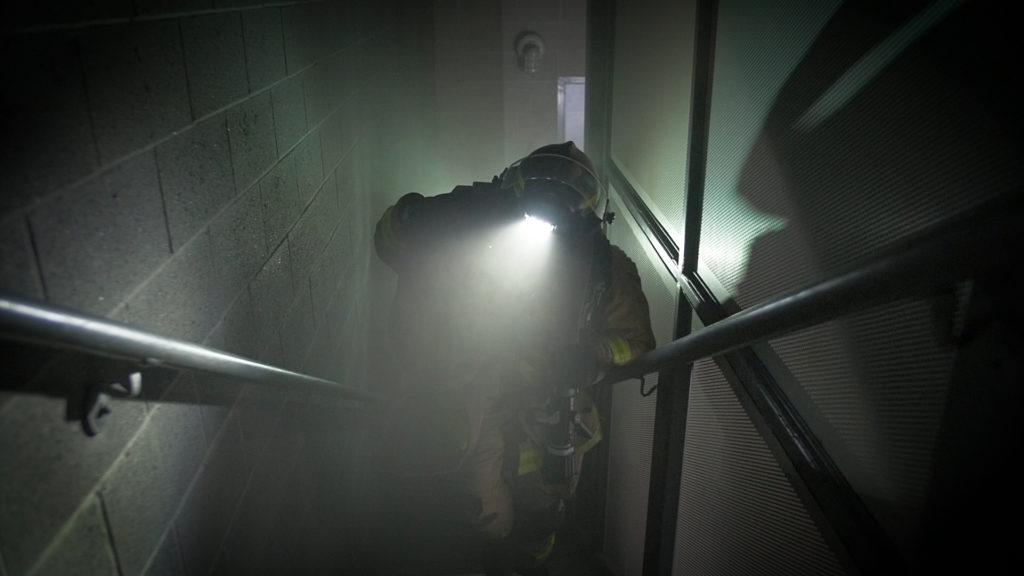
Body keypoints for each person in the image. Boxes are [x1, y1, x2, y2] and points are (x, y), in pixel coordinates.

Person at [373, 142, 655, 575]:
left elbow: (635, 339)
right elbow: (392, 245)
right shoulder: (472, 231)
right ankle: (489, 552)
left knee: (544, 510)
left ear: (587, 213)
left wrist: (591, 357)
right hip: (472, 391)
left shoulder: (604, 269)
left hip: (553, 406)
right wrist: (424, 216)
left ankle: (532, 560)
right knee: (484, 510)